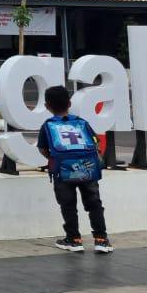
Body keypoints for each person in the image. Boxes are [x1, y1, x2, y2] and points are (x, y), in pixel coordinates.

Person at [38, 85, 112, 254]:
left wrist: (53, 158)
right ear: (70, 103)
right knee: (94, 203)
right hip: (87, 169)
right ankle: (101, 240)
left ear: (47, 106)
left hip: (62, 170)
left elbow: (42, 148)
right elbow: (96, 142)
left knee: (68, 205)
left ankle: (74, 239)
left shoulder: (48, 125)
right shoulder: (82, 122)